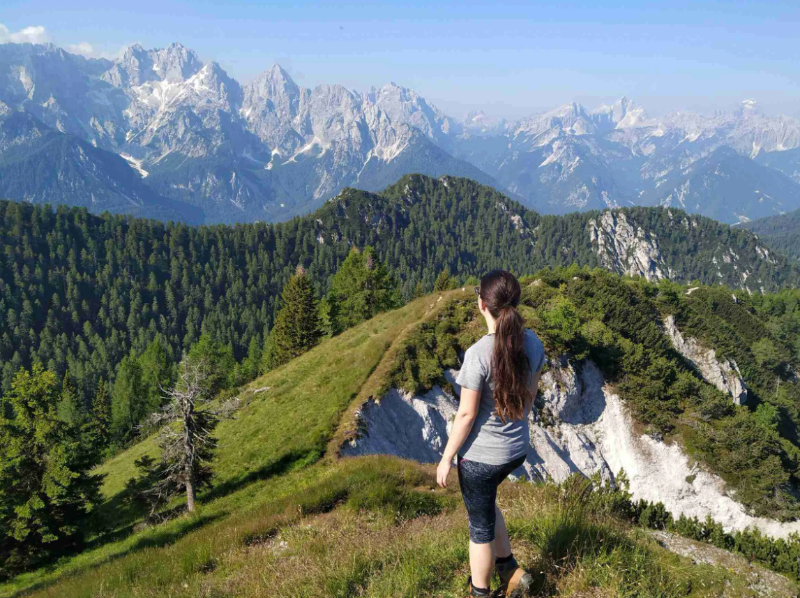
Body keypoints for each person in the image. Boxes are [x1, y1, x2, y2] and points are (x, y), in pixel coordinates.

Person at [437, 270, 545, 598]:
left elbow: (467, 415)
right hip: (516, 449)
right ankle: (510, 570)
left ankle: (480, 593)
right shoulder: (533, 343)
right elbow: (529, 398)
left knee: (479, 531)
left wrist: (446, 458)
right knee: (486, 503)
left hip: (481, 459)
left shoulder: (478, 354)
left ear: (482, 304)